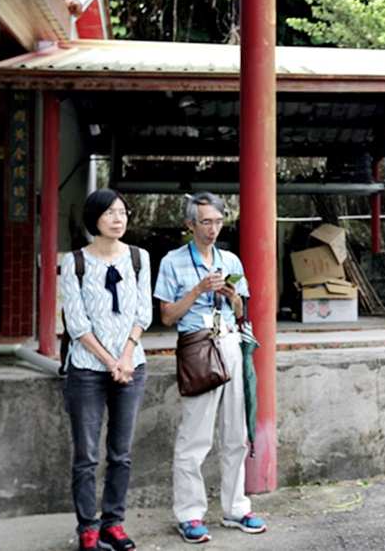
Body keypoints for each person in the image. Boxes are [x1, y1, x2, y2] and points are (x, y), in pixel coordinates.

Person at [154, 192, 266, 543]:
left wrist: (231, 296)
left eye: (218, 222)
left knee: (235, 434)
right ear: (190, 225)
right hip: (198, 346)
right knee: (195, 436)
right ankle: (189, 514)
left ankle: (236, 508)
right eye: (206, 222)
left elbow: (242, 312)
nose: (213, 229)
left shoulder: (230, 260)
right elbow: (168, 316)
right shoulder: (172, 262)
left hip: (229, 342)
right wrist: (199, 289)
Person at [61, 189, 152, 551]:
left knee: (121, 452)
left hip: (132, 367)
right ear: (94, 219)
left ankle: (113, 522)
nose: (119, 219)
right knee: (86, 454)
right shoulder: (75, 262)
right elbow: (77, 324)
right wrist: (110, 361)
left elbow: (143, 312)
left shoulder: (138, 258)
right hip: (86, 369)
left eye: (123, 212)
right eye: (110, 213)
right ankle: (87, 526)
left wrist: (127, 356)